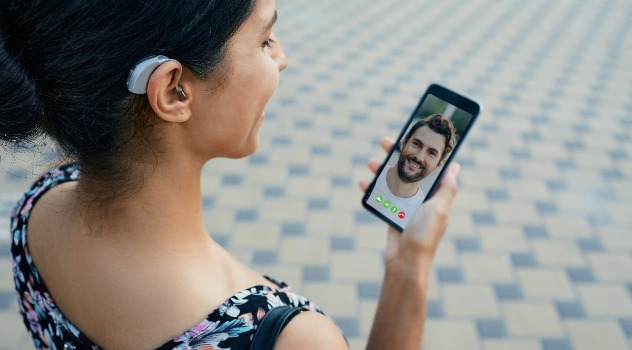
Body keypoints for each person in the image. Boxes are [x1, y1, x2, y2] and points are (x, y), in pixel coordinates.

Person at [0, 0, 460, 349]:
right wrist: (410, 267)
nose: (282, 58)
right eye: (264, 40)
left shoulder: (35, 209)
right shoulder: (285, 338)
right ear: (175, 91)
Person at [369, 114, 457, 227]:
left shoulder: (422, 215)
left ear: (439, 165)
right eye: (417, 144)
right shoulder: (370, 174)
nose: (419, 157)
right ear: (404, 142)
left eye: (431, 153)